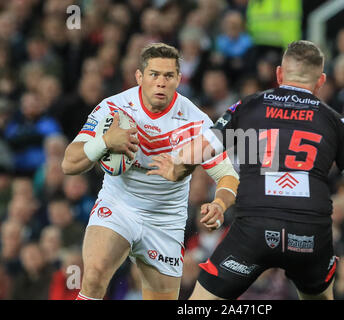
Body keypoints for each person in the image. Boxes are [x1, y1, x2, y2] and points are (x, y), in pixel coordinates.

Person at [150, 40, 344, 300]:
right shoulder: (336, 121)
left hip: (254, 230)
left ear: (279, 74)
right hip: (309, 234)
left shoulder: (248, 106)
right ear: (321, 81)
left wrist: (175, 170)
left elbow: (197, 153)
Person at [61, 43, 239, 300]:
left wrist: (220, 204)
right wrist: (106, 142)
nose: (161, 82)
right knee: (95, 273)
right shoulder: (113, 109)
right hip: (119, 206)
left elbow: (228, 175)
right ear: (139, 76)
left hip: (165, 221)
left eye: (168, 76)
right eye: (154, 74)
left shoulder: (196, 121)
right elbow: (69, 163)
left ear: (179, 78)